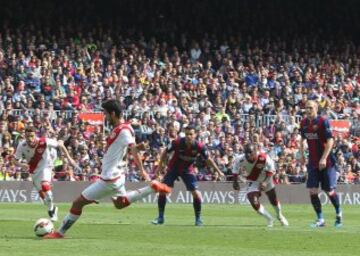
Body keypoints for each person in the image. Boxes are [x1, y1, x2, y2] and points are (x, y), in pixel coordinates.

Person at [44, 99, 171, 239]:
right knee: (120, 204)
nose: (105, 116)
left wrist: (142, 170)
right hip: (117, 175)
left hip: (110, 178)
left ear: (113, 113)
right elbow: (127, 148)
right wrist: (137, 148)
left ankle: (59, 233)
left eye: (105, 113)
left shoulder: (124, 131)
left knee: (77, 203)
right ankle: (152, 188)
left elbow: (133, 149)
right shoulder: (122, 128)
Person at [151, 125, 224, 226]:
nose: (188, 136)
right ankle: (160, 218)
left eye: (191, 134)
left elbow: (208, 159)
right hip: (173, 168)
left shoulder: (199, 146)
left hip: (187, 170)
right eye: (187, 134)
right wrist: (159, 168)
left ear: (195, 135)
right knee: (163, 191)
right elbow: (165, 153)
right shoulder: (177, 142)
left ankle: (198, 219)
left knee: (196, 193)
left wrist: (219, 171)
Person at [14, 127, 77, 222]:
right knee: (44, 199)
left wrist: (69, 158)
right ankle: (52, 208)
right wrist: (21, 164)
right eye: (27, 136)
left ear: (35, 135)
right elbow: (15, 160)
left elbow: (60, 144)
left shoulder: (44, 141)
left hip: (46, 166)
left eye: (31, 136)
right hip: (34, 170)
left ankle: (51, 210)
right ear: (25, 136)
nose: (30, 138)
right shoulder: (21, 145)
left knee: (45, 185)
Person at [299, 100, 342, 228]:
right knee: (312, 191)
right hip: (312, 163)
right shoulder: (304, 123)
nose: (308, 110)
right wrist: (301, 155)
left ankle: (339, 213)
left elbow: (330, 141)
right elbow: (302, 139)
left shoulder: (323, 121)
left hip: (327, 162)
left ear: (316, 108)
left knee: (329, 191)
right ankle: (320, 220)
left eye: (310, 108)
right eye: (306, 108)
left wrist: (323, 158)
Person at [232, 143, 289, 227]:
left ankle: (280, 216)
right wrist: (235, 182)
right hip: (253, 180)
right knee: (254, 202)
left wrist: (265, 182)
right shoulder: (239, 159)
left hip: (266, 178)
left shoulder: (264, 158)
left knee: (273, 200)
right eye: (246, 153)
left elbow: (272, 171)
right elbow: (235, 170)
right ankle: (270, 219)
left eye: (250, 153)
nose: (248, 155)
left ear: (255, 152)